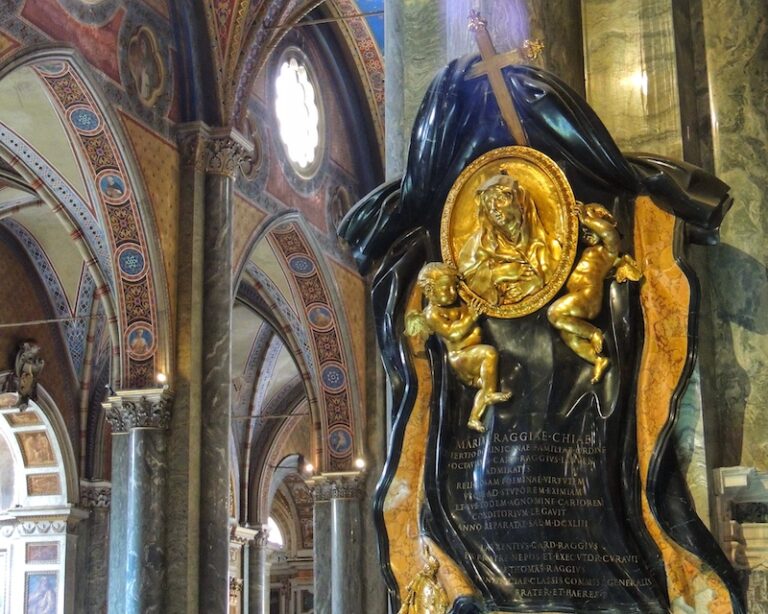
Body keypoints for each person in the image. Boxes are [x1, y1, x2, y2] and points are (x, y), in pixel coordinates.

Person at [405, 262, 510, 432]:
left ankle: (474, 418)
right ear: (430, 291)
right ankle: (490, 394)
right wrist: (472, 318)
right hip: (460, 356)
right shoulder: (432, 314)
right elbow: (453, 333)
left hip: (471, 356)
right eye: (446, 289)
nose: (453, 293)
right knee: (489, 354)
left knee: (485, 383)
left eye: (454, 287)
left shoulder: (457, 303)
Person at [547, 202, 641, 383]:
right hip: (578, 299)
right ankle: (598, 359)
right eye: (583, 231)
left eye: (590, 227)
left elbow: (609, 234)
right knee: (568, 333)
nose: (586, 233)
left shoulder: (607, 252)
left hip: (589, 297)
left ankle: (593, 333)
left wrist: (586, 218)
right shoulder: (582, 252)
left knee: (554, 314)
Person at [458, 173, 556, 305]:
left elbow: (553, 272)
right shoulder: (479, 244)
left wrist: (533, 284)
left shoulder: (548, 247)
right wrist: (499, 273)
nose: (493, 209)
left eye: (499, 199)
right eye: (488, 204)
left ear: (518, 202)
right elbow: (466, 281)